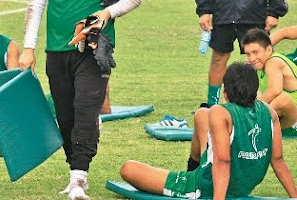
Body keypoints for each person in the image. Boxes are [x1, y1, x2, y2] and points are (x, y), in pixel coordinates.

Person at [18, 0, 141, 200]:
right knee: (66, 115)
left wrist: (108, 13)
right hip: (57, 50)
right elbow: (37, 2)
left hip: (95, 48)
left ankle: (79, 178)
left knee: (86, 110)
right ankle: (74, 169)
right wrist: (28, 48)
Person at [120, 63, 297, 199]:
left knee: (128, 169)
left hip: (206, 185)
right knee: (202, 114)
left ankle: (191, 177)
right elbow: (278, 160)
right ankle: (193, 167)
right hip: (242, 181)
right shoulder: (268, 110)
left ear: (225, 92)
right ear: (255, 90)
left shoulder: (221, 112)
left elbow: (222, 162)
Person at [242, 28, 297, 136]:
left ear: (268, 50)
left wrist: (249, 111)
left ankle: (248, 128)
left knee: (281, 100)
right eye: (248, 54)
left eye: (255, 52)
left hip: (293, 115)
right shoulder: (260, 64)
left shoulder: (273, 62)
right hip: (283, 117)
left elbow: (274, 91)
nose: (252, 58)